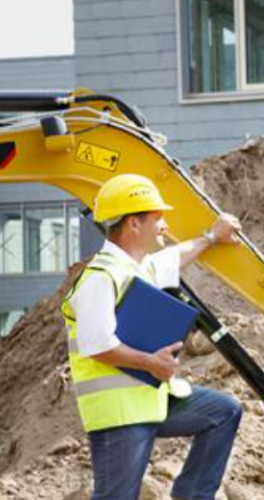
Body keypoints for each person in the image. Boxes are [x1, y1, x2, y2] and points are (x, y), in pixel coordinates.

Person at [61, 174, 244, 500]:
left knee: (224, 411)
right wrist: (152, 363)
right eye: (157, 217)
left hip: (152, 400)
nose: (164, 224)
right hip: (119, 411)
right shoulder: (100, 277)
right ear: (133, 223)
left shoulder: (137, 268)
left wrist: (212, 236)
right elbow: (96, 344)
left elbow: (175, 257)